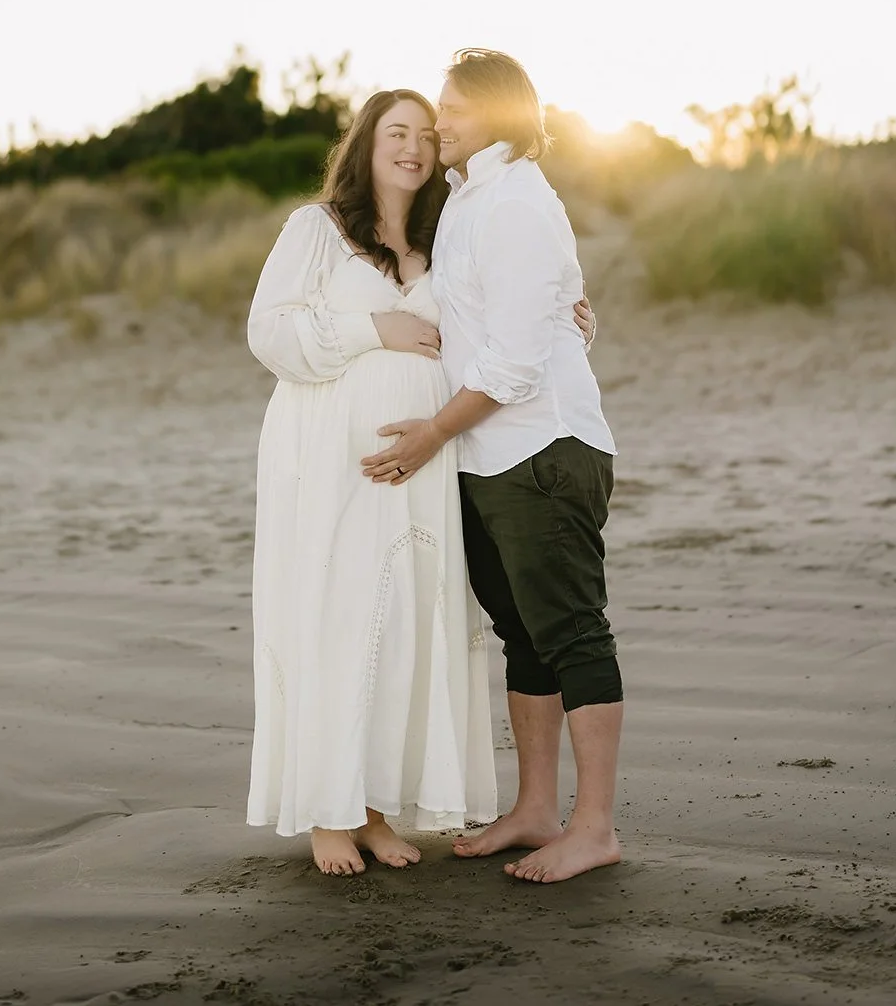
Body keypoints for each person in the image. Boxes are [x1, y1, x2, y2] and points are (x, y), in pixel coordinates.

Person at [360, 49, 622, 885]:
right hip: (492, 456)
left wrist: (434, 431)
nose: (441, 122)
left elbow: (510, 365)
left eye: (456, 109)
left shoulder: (513, 201)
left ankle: (594, 828)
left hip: (540, 448)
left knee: (573, 633)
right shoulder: (472, 196)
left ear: (502, 115)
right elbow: (549, 316)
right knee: (526, 637)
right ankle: (537, 809)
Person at [245, 89, 498, 875]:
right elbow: (269, 332)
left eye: (427, 135)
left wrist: (569, 316)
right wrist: (372, 330)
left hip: (421, 470)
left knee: (402, 625)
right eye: (397, 133)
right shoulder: (315, 229)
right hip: (328, 464)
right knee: (336, 617)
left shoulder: (444, 238)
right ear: (365, 143)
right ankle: (329, 811)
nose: (415, 148)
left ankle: (377, 808)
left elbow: (484, 332)